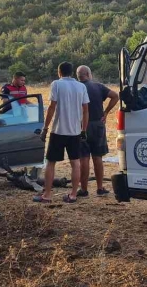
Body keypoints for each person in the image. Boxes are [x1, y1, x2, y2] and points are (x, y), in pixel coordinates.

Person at [34, 61, 89, 203]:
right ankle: (73, 195)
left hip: (58, 130)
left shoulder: (56, 84)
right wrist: (83, 130)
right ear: (72, 72)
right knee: (75, 163)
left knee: (51, 162)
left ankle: (46, 195)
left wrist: (45, 128)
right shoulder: (81, 86)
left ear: (59, 72)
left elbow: (52, 107)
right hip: (75, 132)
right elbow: (85, 110)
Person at [76, 65, 119, 197]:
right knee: (97, 157)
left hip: (82, 126)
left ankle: (83, 189)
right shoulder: (98, 86)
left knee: (84, 159)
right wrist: (106, 112)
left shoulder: (76, 88)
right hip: (98, 125)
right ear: (89, 74)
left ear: (78, 76)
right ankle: (100, 188)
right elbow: (115, 96)